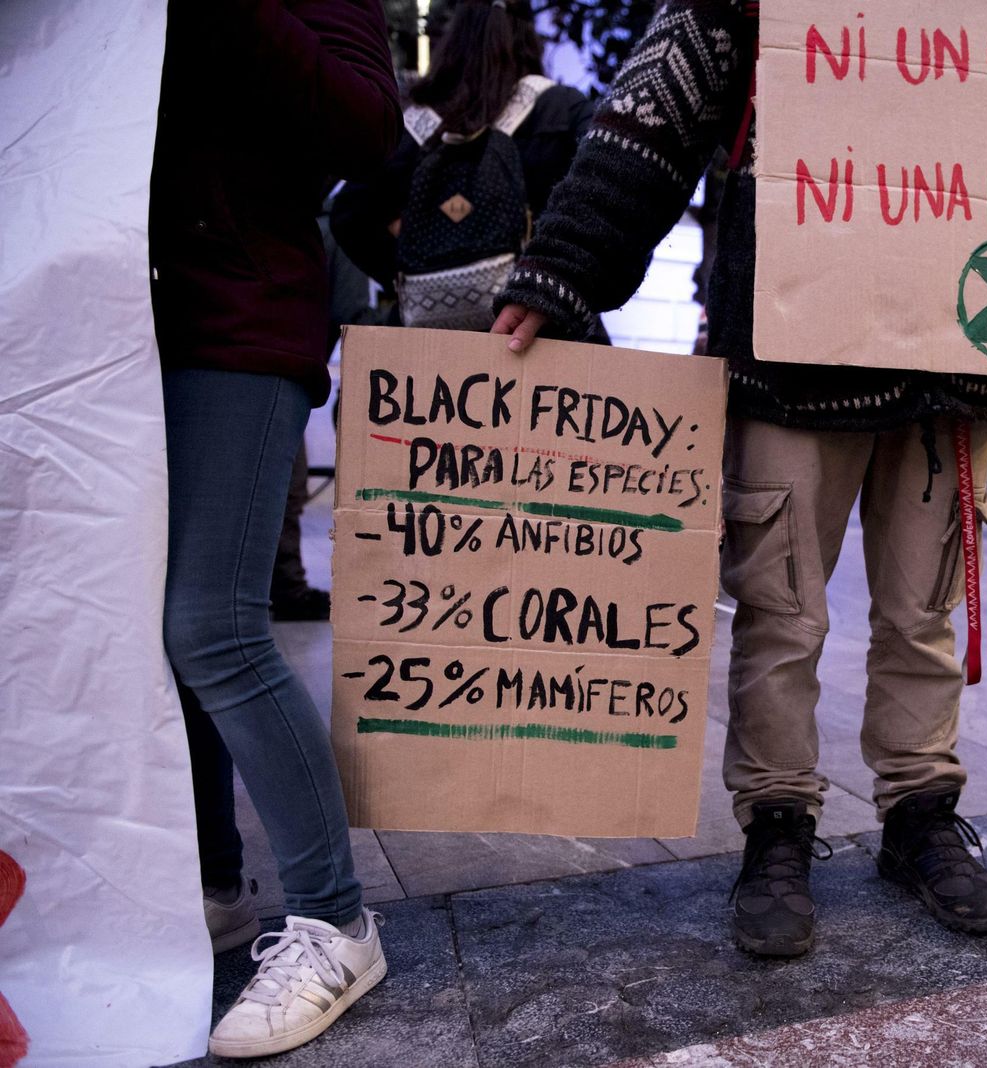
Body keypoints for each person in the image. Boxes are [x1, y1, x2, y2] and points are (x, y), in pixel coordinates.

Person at [491, 0, 987, 958]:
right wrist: (560, 267)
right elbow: (649, 120)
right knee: (779, 615)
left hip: (955, 360)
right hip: (789, 357)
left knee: (923, 611)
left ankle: (919, 815)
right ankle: (777, 826)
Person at [150, 1, 399, 1057]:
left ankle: (336, 921)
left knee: (213, 624)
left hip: (236, 313)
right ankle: (211, 885)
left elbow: (362, 120)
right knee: (151, 631)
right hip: (112, 316)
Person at [331, 0, 600, 340]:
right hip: (538, 336)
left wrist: (414, 272)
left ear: (453, 37)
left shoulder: (415, 125)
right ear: (528, 36)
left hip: (427, 345)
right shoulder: (560, 109)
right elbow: (602, 188)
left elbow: (348, 214)